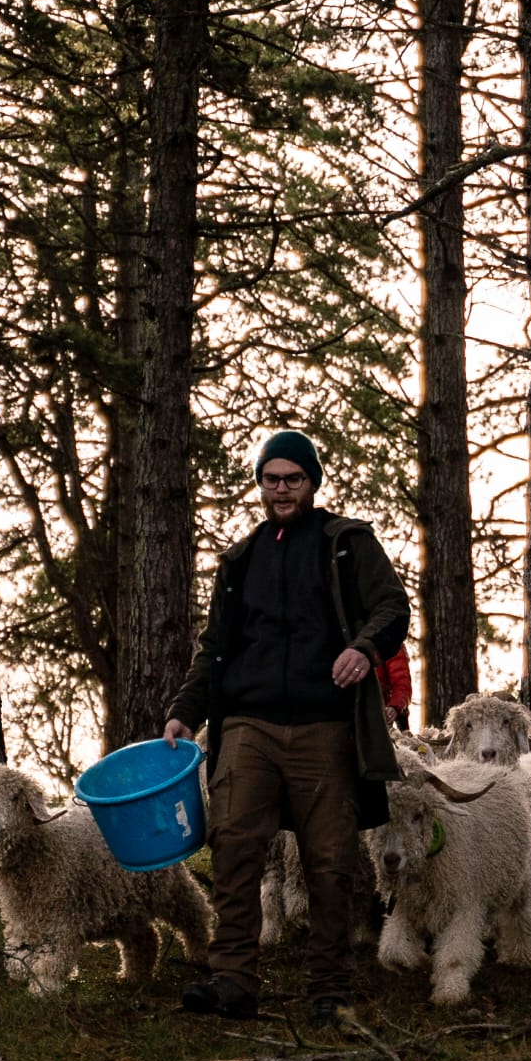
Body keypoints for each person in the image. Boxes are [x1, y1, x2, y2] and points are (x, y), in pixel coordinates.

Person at [163, 429, 409, 1025]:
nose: (281, 489)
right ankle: (232, 982)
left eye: (292, 479)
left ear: (311, 482)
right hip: (246, 726)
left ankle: (329, 989)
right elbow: (214, 647)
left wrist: (364, 648)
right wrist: (183, 711)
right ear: (261, 485)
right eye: (271, 479)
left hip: (326, 724)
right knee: (234, 845)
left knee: (329, 859)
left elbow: (393, 607)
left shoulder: (346, 543)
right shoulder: (239, 559)